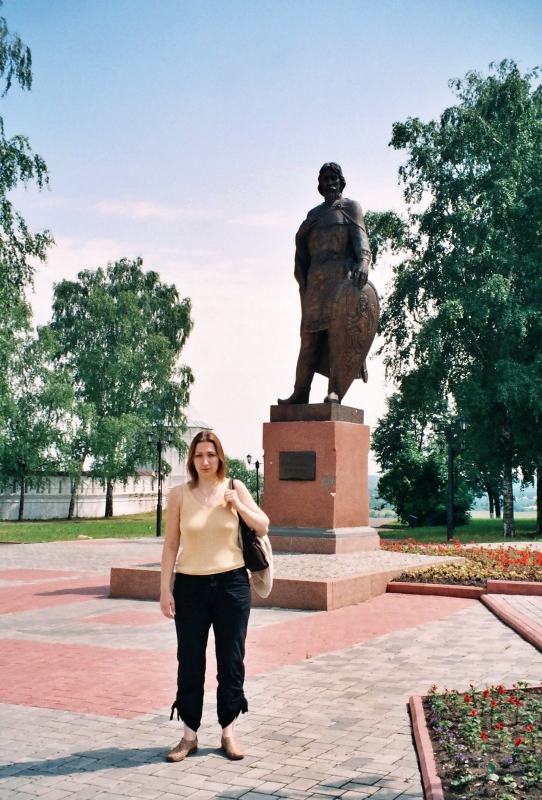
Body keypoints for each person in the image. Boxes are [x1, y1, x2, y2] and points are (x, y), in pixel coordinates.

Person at [160, 430, 269, 762]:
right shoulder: (179, 494)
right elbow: (170, 545)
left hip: (232, 585)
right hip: (190, 587)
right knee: (190, 662)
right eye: (198, 455)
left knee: (231, 661)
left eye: (210, 454)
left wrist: (239, 506)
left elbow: (262, 525)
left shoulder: (234, 488)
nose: (205, 461)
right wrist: (165, 589)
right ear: (191, 460)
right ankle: (188, 736)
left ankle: (228, 733)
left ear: (220, 456)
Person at [279, 162, 372, 404]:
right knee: (309, 338)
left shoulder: (350, 208)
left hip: (340, 279)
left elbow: (360, 238)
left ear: (342, 182)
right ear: (319, 185)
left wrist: (363, 261)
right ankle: (301, 391)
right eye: (325, 178)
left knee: (337, 335)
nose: (330, 182)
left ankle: (335, 390)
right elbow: (302, 250)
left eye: (334, 178)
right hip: (316, 282)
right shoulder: (313, 215)